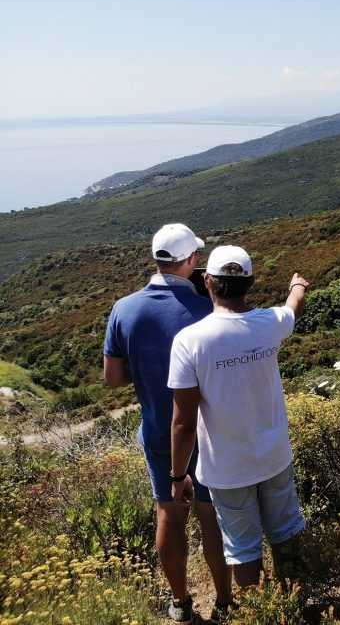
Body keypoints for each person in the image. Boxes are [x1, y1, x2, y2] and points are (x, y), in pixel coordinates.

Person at [103, 223, 232, 624]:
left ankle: (180, 604)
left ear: (156, 259)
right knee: (212, 515)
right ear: (192, 261)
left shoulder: (124, 309)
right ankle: (226, 604)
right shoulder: (206, 308)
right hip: (207, 432)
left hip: (160, 431)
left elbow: (113, 378)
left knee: (169, 513)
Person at [168, 245, 310, 590]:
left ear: (207, 282)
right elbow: (293, 308)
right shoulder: (270, 324)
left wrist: (177, 476)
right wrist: (298, 286)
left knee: (243, 549)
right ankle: (295, 605)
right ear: (251, 282)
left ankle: (261, 613)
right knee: (287, 533)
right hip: (274, 456)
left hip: (226, 469)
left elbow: (184, 422)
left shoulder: (190, 341)